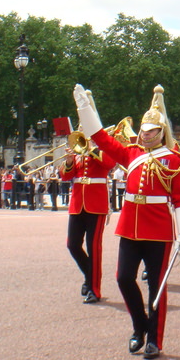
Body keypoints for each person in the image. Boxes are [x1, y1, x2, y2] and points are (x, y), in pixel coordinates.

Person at [73, 84, 180, 360]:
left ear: (161, 133)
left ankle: (154, 339)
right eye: (143, 130)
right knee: (124, 278)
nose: (145, 134)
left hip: (159, 230)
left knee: (156, 285)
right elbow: (101, 138)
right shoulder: (132, 154)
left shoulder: (174, 160)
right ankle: (139, 325)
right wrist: (84, 107)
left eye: (151, 131)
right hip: (130, 227)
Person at [60, 119, 118, 304]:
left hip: (96, 204)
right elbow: (65, 176)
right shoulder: (77, 152)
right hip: (78, 205)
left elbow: (110, 164)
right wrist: (68, 162)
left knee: (94, 248)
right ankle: (89, 276)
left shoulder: (102, 148)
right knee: (72, 245)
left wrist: (92, 148)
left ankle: (95, 290)